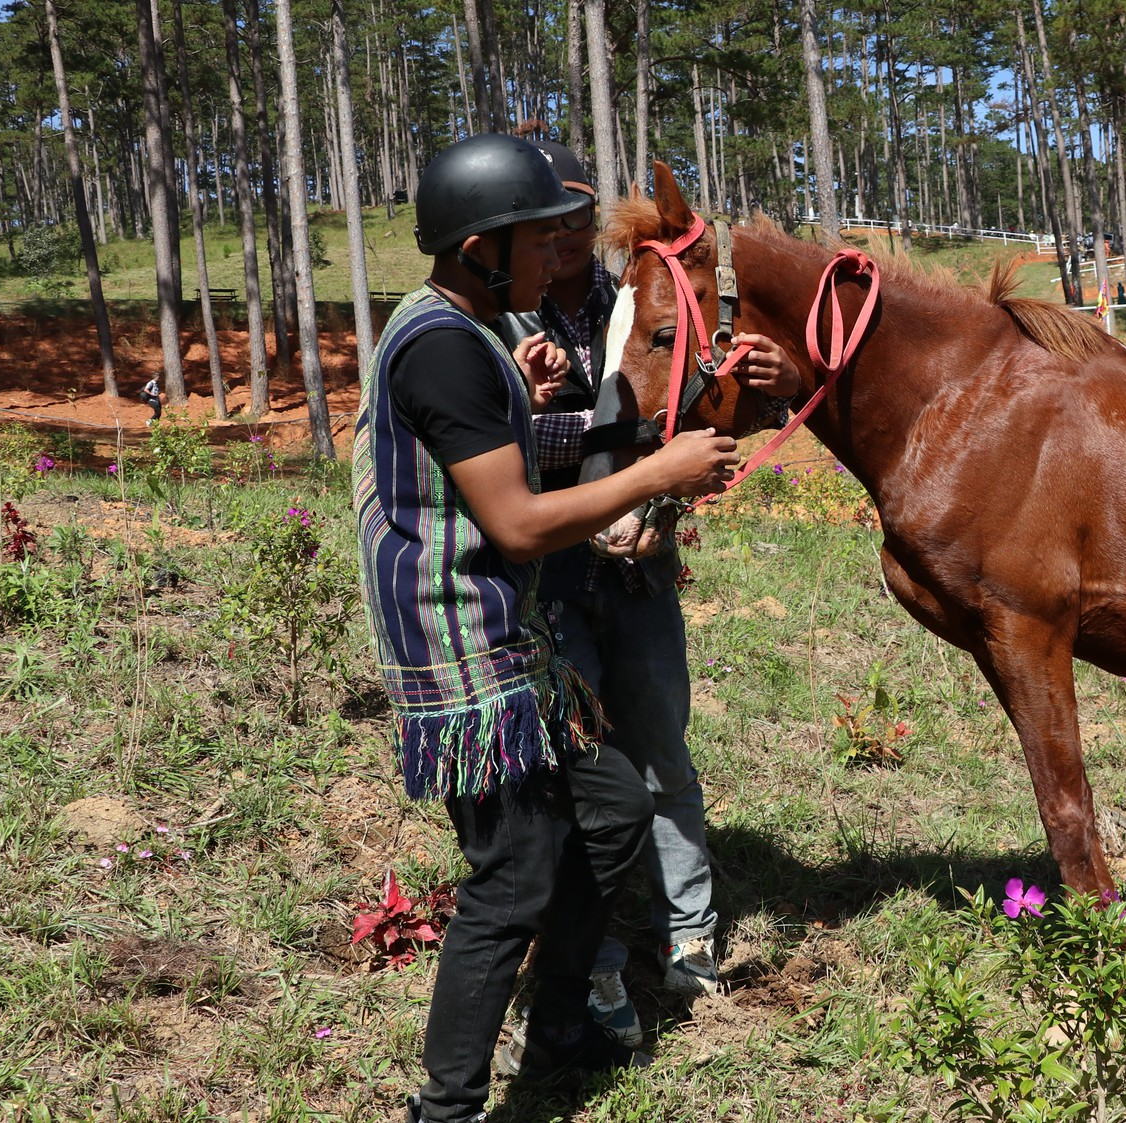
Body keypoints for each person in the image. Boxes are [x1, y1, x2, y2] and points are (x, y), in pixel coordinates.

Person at [351, 132, 741, 1123]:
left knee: (608, 808)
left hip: (504, 640)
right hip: (465, 649)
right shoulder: (442, 346)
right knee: (510, 878)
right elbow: (517, 524)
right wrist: (657, 473)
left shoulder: (463, 331)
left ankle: (560, 1019)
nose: (551, 258)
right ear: (481, 245)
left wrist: (525, 400)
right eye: (534, 240)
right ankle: (446, 1109)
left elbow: (489, 452)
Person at [490, 135, 799, 1052]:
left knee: (661, 743)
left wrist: (777, 388)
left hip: (640, 560)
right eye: (551, 224)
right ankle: (593, 950)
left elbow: (702, 396)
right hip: (554, 566)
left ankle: (688, 928)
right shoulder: (501, 315)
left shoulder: (637, 288)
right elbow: (492, 449)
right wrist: (551, 414)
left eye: (579, 219)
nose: (568, 237)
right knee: (579, 765)